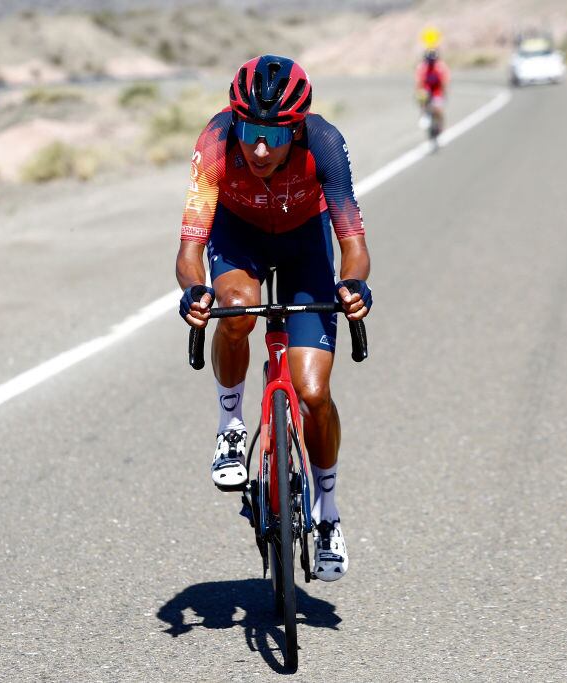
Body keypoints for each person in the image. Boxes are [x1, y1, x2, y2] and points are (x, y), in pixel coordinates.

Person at [175, 55, 373, 582]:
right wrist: (195, 291)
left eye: (275, 135)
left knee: (313, 394)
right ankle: (231, 425)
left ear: (297, 128)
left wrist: (353, 285)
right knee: (235, 312)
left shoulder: (325, 144)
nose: (259, 148)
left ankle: (328, 512)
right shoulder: (215, 143)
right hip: (237, 238)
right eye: (250, 131)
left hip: (305, 246)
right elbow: (190, 248)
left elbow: (352, 243)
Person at [415, 49, 451, 137]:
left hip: (437, 89)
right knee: (422, 99)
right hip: (427, 89)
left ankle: (440, 125)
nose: (430, 63)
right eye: (428, 61)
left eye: (432, 61)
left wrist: (443, 93)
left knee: (438, 109)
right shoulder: (422, 67)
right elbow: (419, 82)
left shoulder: (440, 67)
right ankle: (424, 114)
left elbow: (444, 82)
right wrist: (419, 94)